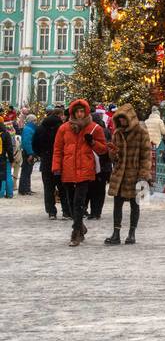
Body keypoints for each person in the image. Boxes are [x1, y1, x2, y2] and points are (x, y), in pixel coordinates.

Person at [52, 98, 108, 247]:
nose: (80, 114)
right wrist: (56, 167)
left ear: (86, 112)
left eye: (82, 111)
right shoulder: (64, 128)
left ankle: (76, 233)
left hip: (85, 169)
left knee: (79, 202)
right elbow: (57, 149)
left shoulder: (94, 128)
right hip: (68, 169)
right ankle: (80, 226)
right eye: (77, 111)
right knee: (70, 202)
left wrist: (92, 143)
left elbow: (103, 149)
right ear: (73, 113)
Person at [105, 102, 152, 245]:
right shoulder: (117, 133)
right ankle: (116, 233)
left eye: (124, 119)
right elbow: (114, 158)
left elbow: (146, 155)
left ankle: (132, 233)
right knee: (117, 204)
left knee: (135, 204)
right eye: (119, 119)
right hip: (120, 174)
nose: (122, 122)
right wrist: (113, 153)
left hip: (135, 173)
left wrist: (143, 174)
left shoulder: (141, 132)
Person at [33, 105, 65, 218]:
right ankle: (66, 211)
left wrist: (41, 154)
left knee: (48, 188)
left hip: (46, 161)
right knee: (62, 187)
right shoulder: (62, 127)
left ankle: (51, 211)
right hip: (60, 161)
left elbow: (35, 144)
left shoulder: (41, 127)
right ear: (60, 115)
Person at [86, 107, 113, 219]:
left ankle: (93, 212)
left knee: (91, 189)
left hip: (96, 164)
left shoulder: (95, 131)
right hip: (104, 165)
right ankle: (97, 212)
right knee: (100, 191)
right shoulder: (106, 130)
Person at [18, 112, 37, 195]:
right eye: (35, 120)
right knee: (26, 171)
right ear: (32, 121)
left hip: (29, 152)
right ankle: (24, 189)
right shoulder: (28, 129)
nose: (36, 122)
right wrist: (30, 153)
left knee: (28, 171)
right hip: (28, 152)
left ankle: (26, 188)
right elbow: (26, 142)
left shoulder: (29, 128)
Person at [0, 121, 15, 199]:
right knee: (7, 175)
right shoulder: (6, 134)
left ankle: (1, 193)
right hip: (4, 158)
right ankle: (9, 193)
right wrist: (12, 159)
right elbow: (9, 149)